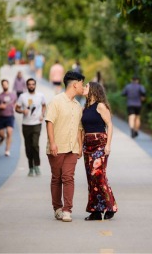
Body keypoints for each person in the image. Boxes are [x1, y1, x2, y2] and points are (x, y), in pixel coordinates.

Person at [45, 71, 85, 222]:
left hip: (72, 148)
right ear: (75, 84)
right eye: (81, 84)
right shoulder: (56, 101)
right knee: (57, 178)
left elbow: (80, 128)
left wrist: (80, 146)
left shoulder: (77, 106)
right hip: (57, 146)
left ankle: (67, 210)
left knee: (68, 177)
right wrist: (53, 143)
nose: (82, 87)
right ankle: (57, 208)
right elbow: (50, 122)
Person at [81, 82, 118, 221]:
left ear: (94, 90)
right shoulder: (85, 107)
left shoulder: (100, 106)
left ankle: (109, 207)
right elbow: (83, 128)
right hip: (87, 144)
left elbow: (109, 124)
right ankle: (95, 211)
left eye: (86, 86)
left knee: (99, 176)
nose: (84, 88)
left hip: (100, 143)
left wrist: (108, 145)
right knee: (91, 179)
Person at [15, 78, 47, 177]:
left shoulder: (40, 96)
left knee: (35, 145)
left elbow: (44, 106)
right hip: (26, 125)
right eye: (29, 84)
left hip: (37, 124)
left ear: (35, 85)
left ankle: (36, 165)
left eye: (33, 84)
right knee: (28, 147)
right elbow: (17, 108)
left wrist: (42, 115)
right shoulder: (22, 96)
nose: (31, 86)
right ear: (27, 85)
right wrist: (22, 111)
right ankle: (30, 167)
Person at [0, 79, 17, 156]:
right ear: (2, 86)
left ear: (8, 85)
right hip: (1, 117)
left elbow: (16, 103)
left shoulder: (13, 95)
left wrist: (15, 107)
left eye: (6, 84)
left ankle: (7, 150)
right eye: (3, 84)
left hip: (10, 116)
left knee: (9, 132)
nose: (5, 85)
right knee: (1, 134)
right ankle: (2, 137)